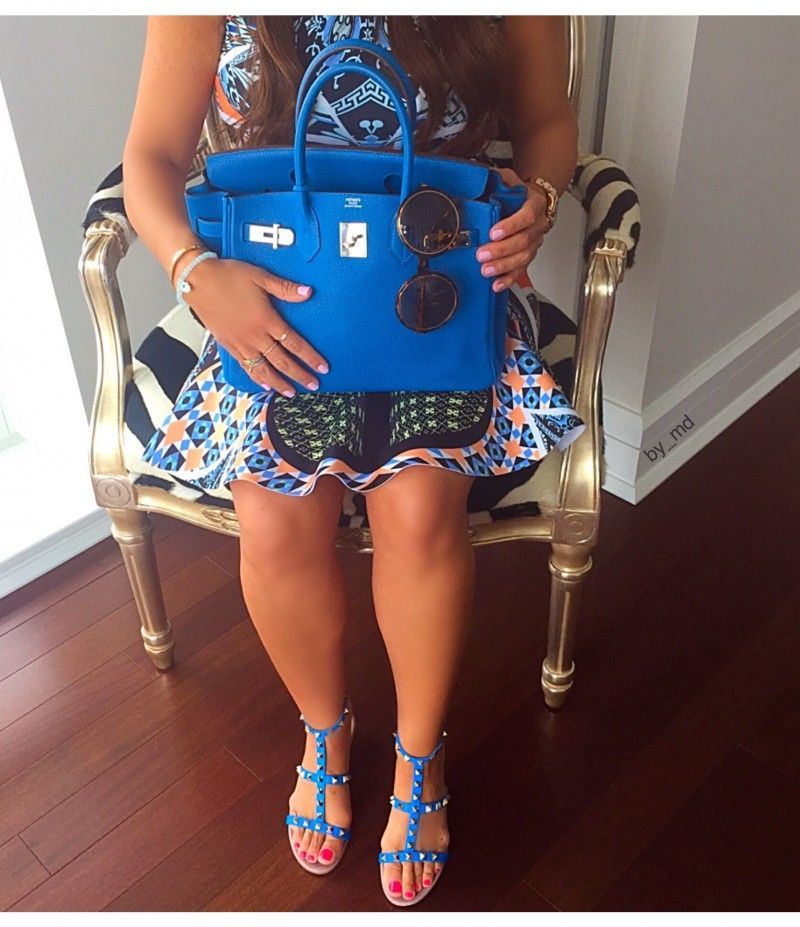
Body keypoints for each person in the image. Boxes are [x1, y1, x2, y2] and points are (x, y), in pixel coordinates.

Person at [123, 14, 586, 906]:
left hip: (442, 290)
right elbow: (150, 155)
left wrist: (540, 196)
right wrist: (193, 271)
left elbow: (546, 119)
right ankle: (324, 732)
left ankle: (419, 757)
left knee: (419, 508)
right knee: (272, 515)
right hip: (272, 300)